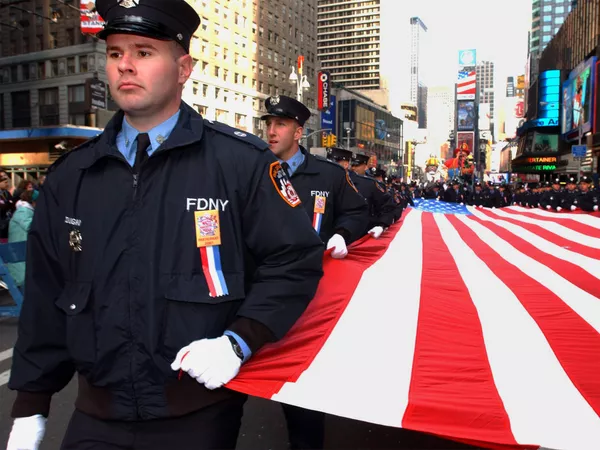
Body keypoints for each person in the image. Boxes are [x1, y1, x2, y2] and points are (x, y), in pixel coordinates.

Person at [7, 1, 324, 449]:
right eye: (115, 53)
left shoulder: (239, 163)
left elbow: (293, 260)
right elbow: (48, 293)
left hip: (196, 415)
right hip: (96, 415)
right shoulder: (73, 175)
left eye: (144, 51)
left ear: (183, 68)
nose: (126, 66)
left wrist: (239, 341)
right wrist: (30, 406)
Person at [261, 95, 368, 260]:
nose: (271, 132)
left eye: (280, 124)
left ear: (298, 133)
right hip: (264, 271)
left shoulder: (330, 174)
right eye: (269, 124)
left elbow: (356, 212)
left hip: (314, 270)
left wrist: (342, 234)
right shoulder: (255, 170)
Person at [348, 153, 395, 237]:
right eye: (352, 165)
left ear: (365, 167)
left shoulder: (371, 184)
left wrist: (381, 225)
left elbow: (386, 205)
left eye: (357, 165)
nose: (353, 168)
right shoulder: (342, 180)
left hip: (365, 231)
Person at [7, 190, 38, 287]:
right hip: (18, 253)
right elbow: (29, 226)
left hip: (23, 250)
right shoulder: (23, 211)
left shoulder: (27, 211)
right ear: (33, 202)